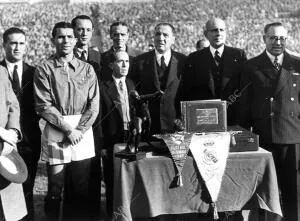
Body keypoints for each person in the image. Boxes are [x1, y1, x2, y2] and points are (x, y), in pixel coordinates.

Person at [34, 21, 99, 220]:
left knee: (80, 186)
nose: (66, 40)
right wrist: (68, 130)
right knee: (55, 186)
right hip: (56, 128)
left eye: (70, 36)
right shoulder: (44, 68)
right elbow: (43, 105)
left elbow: (93, 105)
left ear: (75, 39)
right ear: (53, 39)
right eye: (61, 36)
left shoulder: (87, 69)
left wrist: (79, 129)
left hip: (83, 131)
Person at [238, 22, 300, 221]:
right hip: (264, 137)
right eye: (273, 38)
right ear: (264, 38)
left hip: (293, 137)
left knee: (293, 191)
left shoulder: (296, 63)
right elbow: (244, 105)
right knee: (265, 192)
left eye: (282, 38)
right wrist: (245, 136)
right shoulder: (252, 66)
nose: (277, 42)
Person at [0, 27, 41, 221]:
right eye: (13, 43)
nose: (17, 47)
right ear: (4, 45)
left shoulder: (36, 72)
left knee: (27, 188)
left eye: (21, 43)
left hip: (28, 140)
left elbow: (40, 105)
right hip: (2, 142)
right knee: (4, 192)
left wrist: (16, 132)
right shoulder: (0, 70)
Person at [178, 17, 247, 125]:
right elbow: (187, 90)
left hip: (233, 119)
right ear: (206, 34)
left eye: (221, 30)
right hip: (204, 119)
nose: (218, 33)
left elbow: (244, 88)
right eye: (214, 30)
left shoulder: (239, 55)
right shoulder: (194, 58)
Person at [93, 50, 135, 219]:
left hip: (130, 138)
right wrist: (101, 145)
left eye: (127, 61)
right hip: (111, 139)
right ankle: (113, 213)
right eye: (120, 61)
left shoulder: (132, 84)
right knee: (112, 179)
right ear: (111, 65)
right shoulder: (103, 87)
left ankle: (129, 213)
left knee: (131, 176)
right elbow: (98, 119)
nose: (125, 65)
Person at [130, 22, 186, 134]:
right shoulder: (139, 62)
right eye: (157, 34)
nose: (161, 38)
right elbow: (134, 93)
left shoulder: (183, 61)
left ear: (173, 39)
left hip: (176, 126)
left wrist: (182, 119)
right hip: (149, 127)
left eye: (165, 35)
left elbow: (188, 93)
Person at [71, 14, 102, 218]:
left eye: (88, 30)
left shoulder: (100, 57)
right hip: (71, 122)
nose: (84, 33)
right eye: (80, 29)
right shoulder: (64, 53)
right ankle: (74, 212)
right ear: (73, 31)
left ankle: (93, 212)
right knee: (73, 173)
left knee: (93, 169)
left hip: (96, 121)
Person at [0, 66, 26, 221]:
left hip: (7, 148)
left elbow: (13, 106)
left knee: (10, 212)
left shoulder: (1, 71)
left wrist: (13, 131)